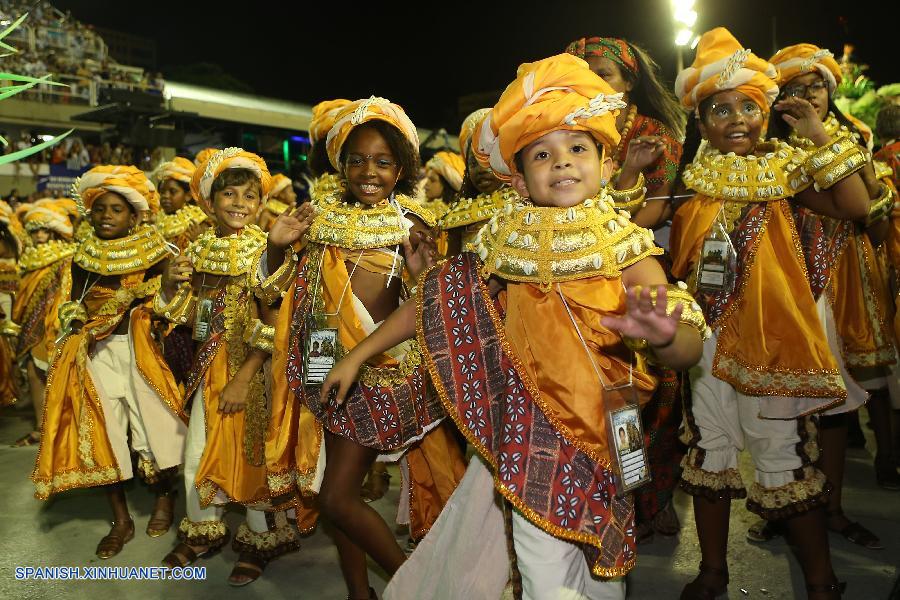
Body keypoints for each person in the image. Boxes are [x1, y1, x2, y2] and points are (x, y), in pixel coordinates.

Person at [322, 54, 707, 600]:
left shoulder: (626, 249)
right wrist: (357, 355)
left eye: (578, 149)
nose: (563, 163)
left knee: (606, 575)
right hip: (528, 436)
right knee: (545, 576)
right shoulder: (506, 246)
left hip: (604, 436)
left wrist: (665, 335)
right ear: (521, 180)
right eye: (543, 155)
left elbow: (687, 346)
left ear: (603, 161)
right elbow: (437, 304)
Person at [669, 28, 870, 599]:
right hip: (706, 343)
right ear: (702, 120)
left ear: (766, 114)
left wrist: (818, 133)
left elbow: (855, 206)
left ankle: (821, 582)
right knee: (709, 447)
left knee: (781, 457)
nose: (736, 119)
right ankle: (713, 572)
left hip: (772, 340)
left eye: (749, 108)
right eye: (721, 109)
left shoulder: (784, 172)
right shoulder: (691, 182)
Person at [260, 96, 443, 600]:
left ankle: (415, 581)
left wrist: (423, 272)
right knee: (337, 492)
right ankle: (360, 593)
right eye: (357, 159)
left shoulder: (411, 225)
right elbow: (273, 294)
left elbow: (429, 304)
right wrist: (276, 245)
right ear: (340, 162)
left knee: (336, 497)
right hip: (324, 374)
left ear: (402, 167)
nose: (369, 172)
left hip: (380, 375)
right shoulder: (318, 221)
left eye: (384, 162)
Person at [155, 148, 300, 586]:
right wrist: (167, 285)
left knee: (252, 454)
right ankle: (202, 532)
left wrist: (245, 375)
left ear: (261, 204)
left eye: (249, 196)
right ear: (209, 201)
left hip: (253, 373)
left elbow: (275, 321)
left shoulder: (268, 251)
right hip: (208, 368)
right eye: (229, 194)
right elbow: (181, 313)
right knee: (196, 453)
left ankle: (260, 541)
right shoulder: (199, 249)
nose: (239, 203)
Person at [32, 165, 187, 558]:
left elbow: (171, 308)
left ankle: (164, 501)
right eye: (100, 209)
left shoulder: (158, 255)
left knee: (154, 429)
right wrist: (75, 320)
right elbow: (72, 303)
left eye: (116, 209)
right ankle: (120, 520)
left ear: (134, 216)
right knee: (106, 435)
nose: (106, 216)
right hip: (96, 356)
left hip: (142, 353)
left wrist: (161, 291)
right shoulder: (81, 258)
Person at [9, 200, 77, 447]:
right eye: (35, 230)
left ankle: (64, 427)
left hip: (55, 325)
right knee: (33, 372)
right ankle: (41, 427)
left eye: (43, 230)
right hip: (30, 326)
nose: (39, 235)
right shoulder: (26, 260)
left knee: (58, 374)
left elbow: (67, 293)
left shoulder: (66, 257)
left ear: (54, 231)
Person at [439, 108, 518, 256]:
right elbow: (449, 266)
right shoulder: (458, 214)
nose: (481, 170)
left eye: (487, 160)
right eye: (473, 163)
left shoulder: (524, 204)